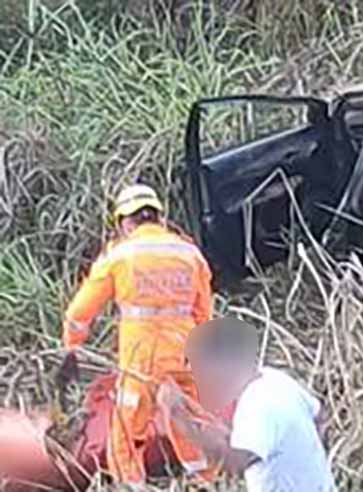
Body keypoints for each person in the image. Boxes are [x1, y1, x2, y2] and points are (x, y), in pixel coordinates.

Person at [61, 183, 215, 485]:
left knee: (127, 434)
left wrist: (72, 349)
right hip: (185, 357)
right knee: (190, 425)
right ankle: (206, 482)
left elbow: (79, 313)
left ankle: (131, 486)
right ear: (159, 216)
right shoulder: (188, 253)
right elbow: (204, 314)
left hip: (142, 361)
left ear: (125, 221)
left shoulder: (121, 256)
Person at [156, 317, 337, 492]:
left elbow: (231, 465)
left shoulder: (256, 404)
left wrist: (178, 416)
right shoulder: (275, 379)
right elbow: (321, 417)